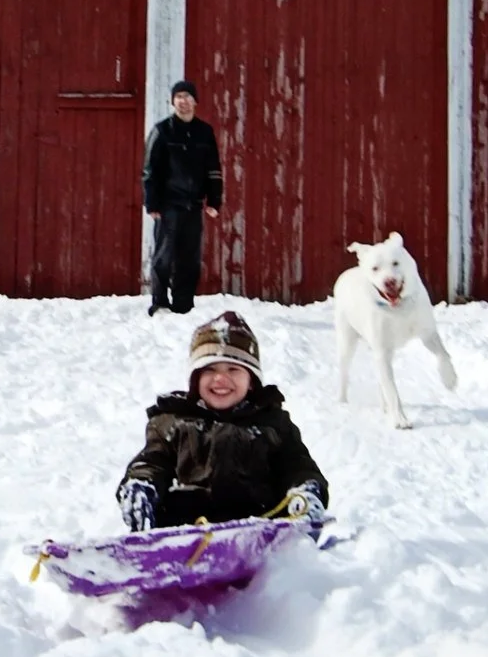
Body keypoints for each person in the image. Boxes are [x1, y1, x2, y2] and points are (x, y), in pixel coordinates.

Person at [116, 311, 329, 531]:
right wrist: (142, 484)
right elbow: (152, 462)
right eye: (209, 369)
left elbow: (297, 466)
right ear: (195, 380)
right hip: (184, 530)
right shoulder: (173, 421)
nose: (220, 379)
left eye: (233, 369)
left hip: (257, 528)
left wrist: (305, 492)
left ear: (252, 382)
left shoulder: (272, 424)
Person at [142, 79, 223, 316]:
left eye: (188, 97)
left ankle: (183, 303)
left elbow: (213, 169)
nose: (183, 102)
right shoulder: (162, 131)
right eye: (179, 97)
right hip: (168, 205)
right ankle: (159, 302)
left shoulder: (204, 132)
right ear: (172, 101)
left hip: (193, 205)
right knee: (164, 256)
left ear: (195, 102)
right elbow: (150, 170)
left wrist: (214, 200)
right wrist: (152, 202)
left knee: (189, 259)